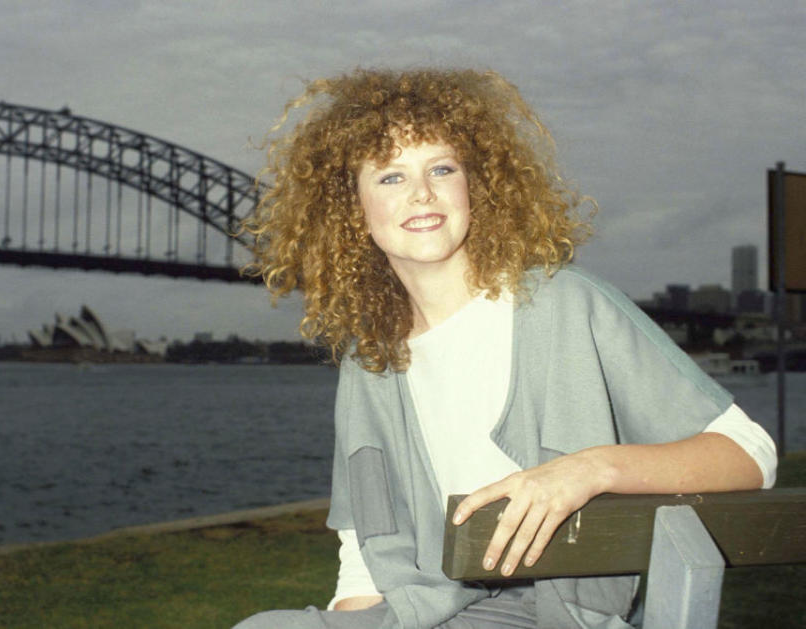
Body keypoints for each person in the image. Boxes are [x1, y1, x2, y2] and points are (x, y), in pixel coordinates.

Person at [233, 68, 776, 629]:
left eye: (442, 168)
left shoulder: (563, 305)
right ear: (353, 209)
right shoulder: (370, 357)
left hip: (566, 614)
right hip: (429, 612)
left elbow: (751, 454)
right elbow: (364, 558)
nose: (422, 192)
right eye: (390, 177)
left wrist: (589, 470)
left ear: (477, 186)